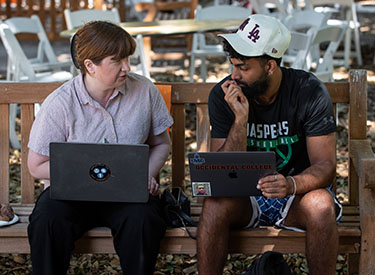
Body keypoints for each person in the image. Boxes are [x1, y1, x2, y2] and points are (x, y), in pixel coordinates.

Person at [197, 14, 342, 275]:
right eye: (232, 65)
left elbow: (326, 165)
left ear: (271, 66)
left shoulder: (308, 91)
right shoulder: (224, 95)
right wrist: (240, 120)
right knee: (214, 205)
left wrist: (290, 184)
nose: (234, 75)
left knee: (321, 205)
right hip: (246, 197)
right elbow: (222, 170)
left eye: (243, 67)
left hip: (297, 196)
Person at [27, 21, 173, 275]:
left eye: (127, 58)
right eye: (116, 60)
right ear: (90, 66)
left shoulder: (144, 91)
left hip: (127, 194)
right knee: (47, 220)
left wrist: (144, 175)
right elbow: (36, 165)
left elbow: (161, 143)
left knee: (143, 220)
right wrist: (83, 172)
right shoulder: (60, 103)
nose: (127, 67)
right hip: (71, 195)